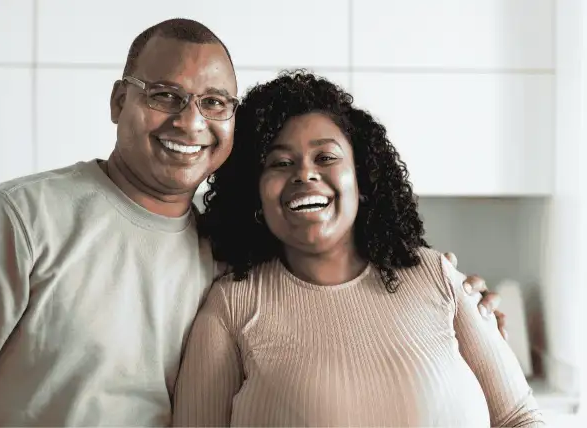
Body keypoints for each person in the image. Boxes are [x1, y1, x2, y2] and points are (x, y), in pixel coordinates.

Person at [0, 19, 504, 427]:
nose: (190, 122)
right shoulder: (26, 217)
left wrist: (460, 308)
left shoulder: (228, 253)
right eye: (165, 96)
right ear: (119, 102)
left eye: (214, 102)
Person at [172, 70, 544, 427]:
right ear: (255, 193)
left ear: (362, 178)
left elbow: (519, 417)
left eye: (325, 157)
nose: (305, 174)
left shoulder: (438, 277)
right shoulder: (232, 307)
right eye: (280, 162)